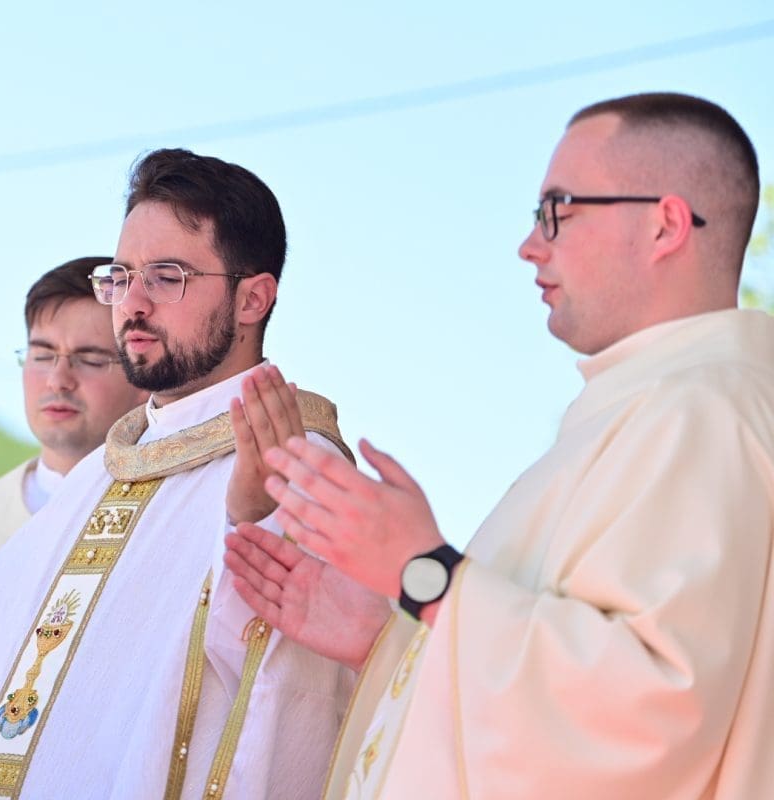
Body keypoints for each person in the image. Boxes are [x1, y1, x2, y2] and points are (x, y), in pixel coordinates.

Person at [225, 92, 774, 799]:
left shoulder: (705, 410)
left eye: (558, 210)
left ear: (664, 225)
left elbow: (648, 714)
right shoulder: (647, 408)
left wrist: (424, 572)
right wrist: (389, 637)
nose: (530, 245)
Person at [0, 148, 360, 799]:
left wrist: (254, 524)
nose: (132, 303)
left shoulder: (297, 464)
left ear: (253, 298)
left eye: (166, 277)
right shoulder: (105, 472)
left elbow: (295, 696)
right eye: (122, 276)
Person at [0, 256, 148, 563]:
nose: (58, 380)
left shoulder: (169, 520)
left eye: (91, 359)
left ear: (143, 379)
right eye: (42, 356)